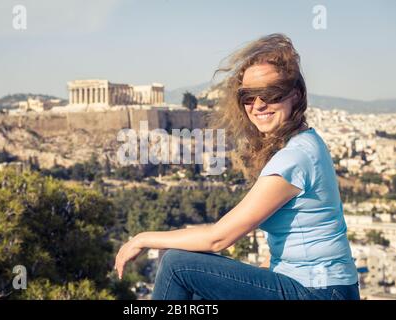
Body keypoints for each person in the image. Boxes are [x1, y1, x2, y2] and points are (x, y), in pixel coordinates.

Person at [114, 33, 360, 300]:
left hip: (319, 292)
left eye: (271, 93)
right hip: (323, 287)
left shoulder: (295, 158)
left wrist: (141, 238)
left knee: (176, 265)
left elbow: (218, 238)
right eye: (248, 96)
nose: (259, 105)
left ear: (296, 94)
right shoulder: (306, 141)